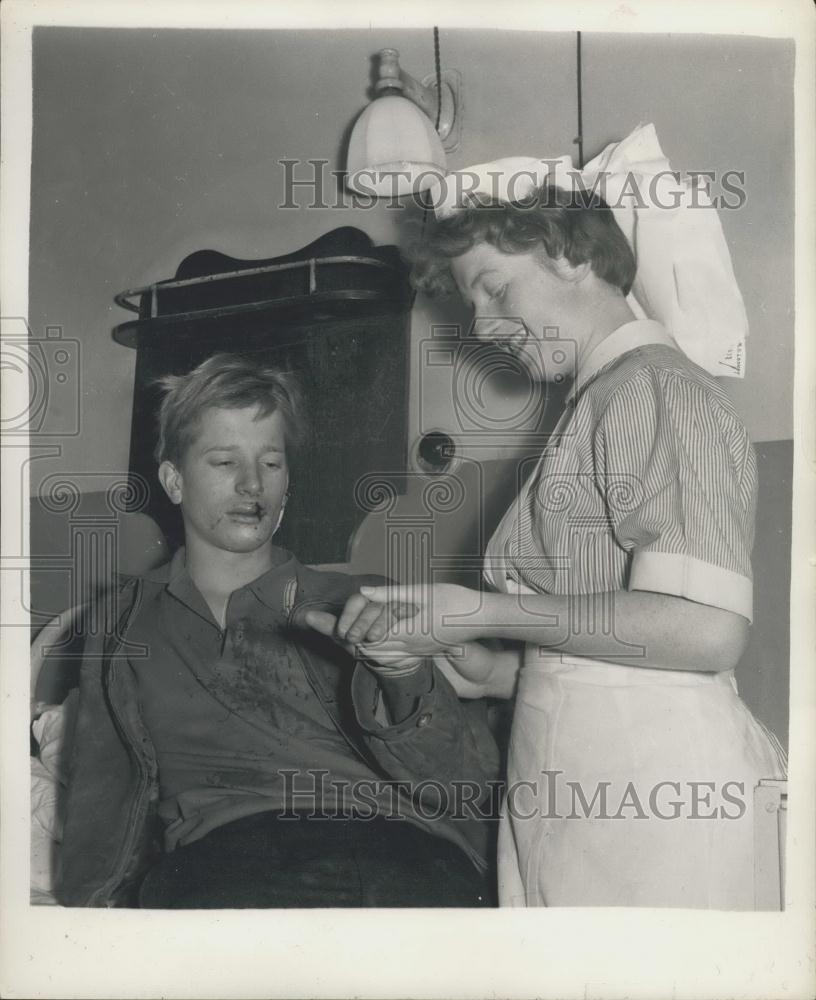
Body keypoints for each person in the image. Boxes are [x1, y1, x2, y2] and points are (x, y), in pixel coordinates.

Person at [353, 169, 788, 909]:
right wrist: (492, 670)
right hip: (594, 794)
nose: (483, 325)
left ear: (572, 254)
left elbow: (705, 629)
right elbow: (611, 655)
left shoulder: (657, 388)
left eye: (493, 288)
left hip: (662, 806)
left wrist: (484, 612)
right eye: (470, 303)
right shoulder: (600, 402)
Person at [57, 353, 499, 908]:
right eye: (224, 462)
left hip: (403, 853)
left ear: (288, 484)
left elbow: (466, 786)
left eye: (271, 463)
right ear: (174, 480)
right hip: (227, 866)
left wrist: (404, 676)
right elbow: (100, 798)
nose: (251, 486)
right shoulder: (123, 622)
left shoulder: (369, 599)